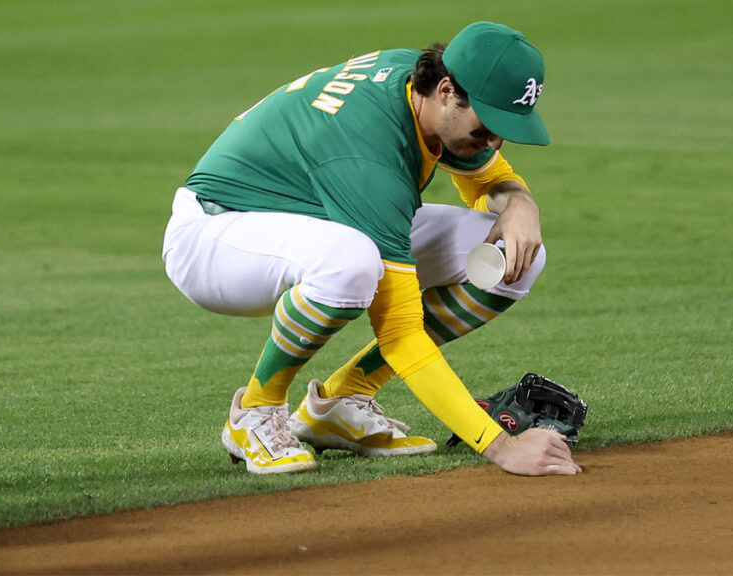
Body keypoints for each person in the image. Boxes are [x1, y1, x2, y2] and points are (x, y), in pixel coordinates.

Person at [161, 22, 580, 477]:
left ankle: (342, 400)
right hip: (217, 235)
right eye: (487, 127)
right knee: (351, 265)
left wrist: (520, 201)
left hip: (317, 217)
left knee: (518, 259)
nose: (492, 142)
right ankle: (256, 412)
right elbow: (400, 333)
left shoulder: (421, 90)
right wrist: (500, 447)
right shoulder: (370, 151)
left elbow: (487, 179)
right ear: (446, 91)